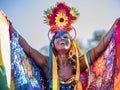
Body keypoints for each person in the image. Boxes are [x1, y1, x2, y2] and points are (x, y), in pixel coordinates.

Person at [1, 2, 120, 90]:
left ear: (71, 43)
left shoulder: (79, 63)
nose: (62, 39)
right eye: (58, 37)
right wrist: (10, 28)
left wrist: (115, 25)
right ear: (53, 43)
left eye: (66, 37)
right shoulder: (46, 64)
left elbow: (101, 46)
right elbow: (29, 49)